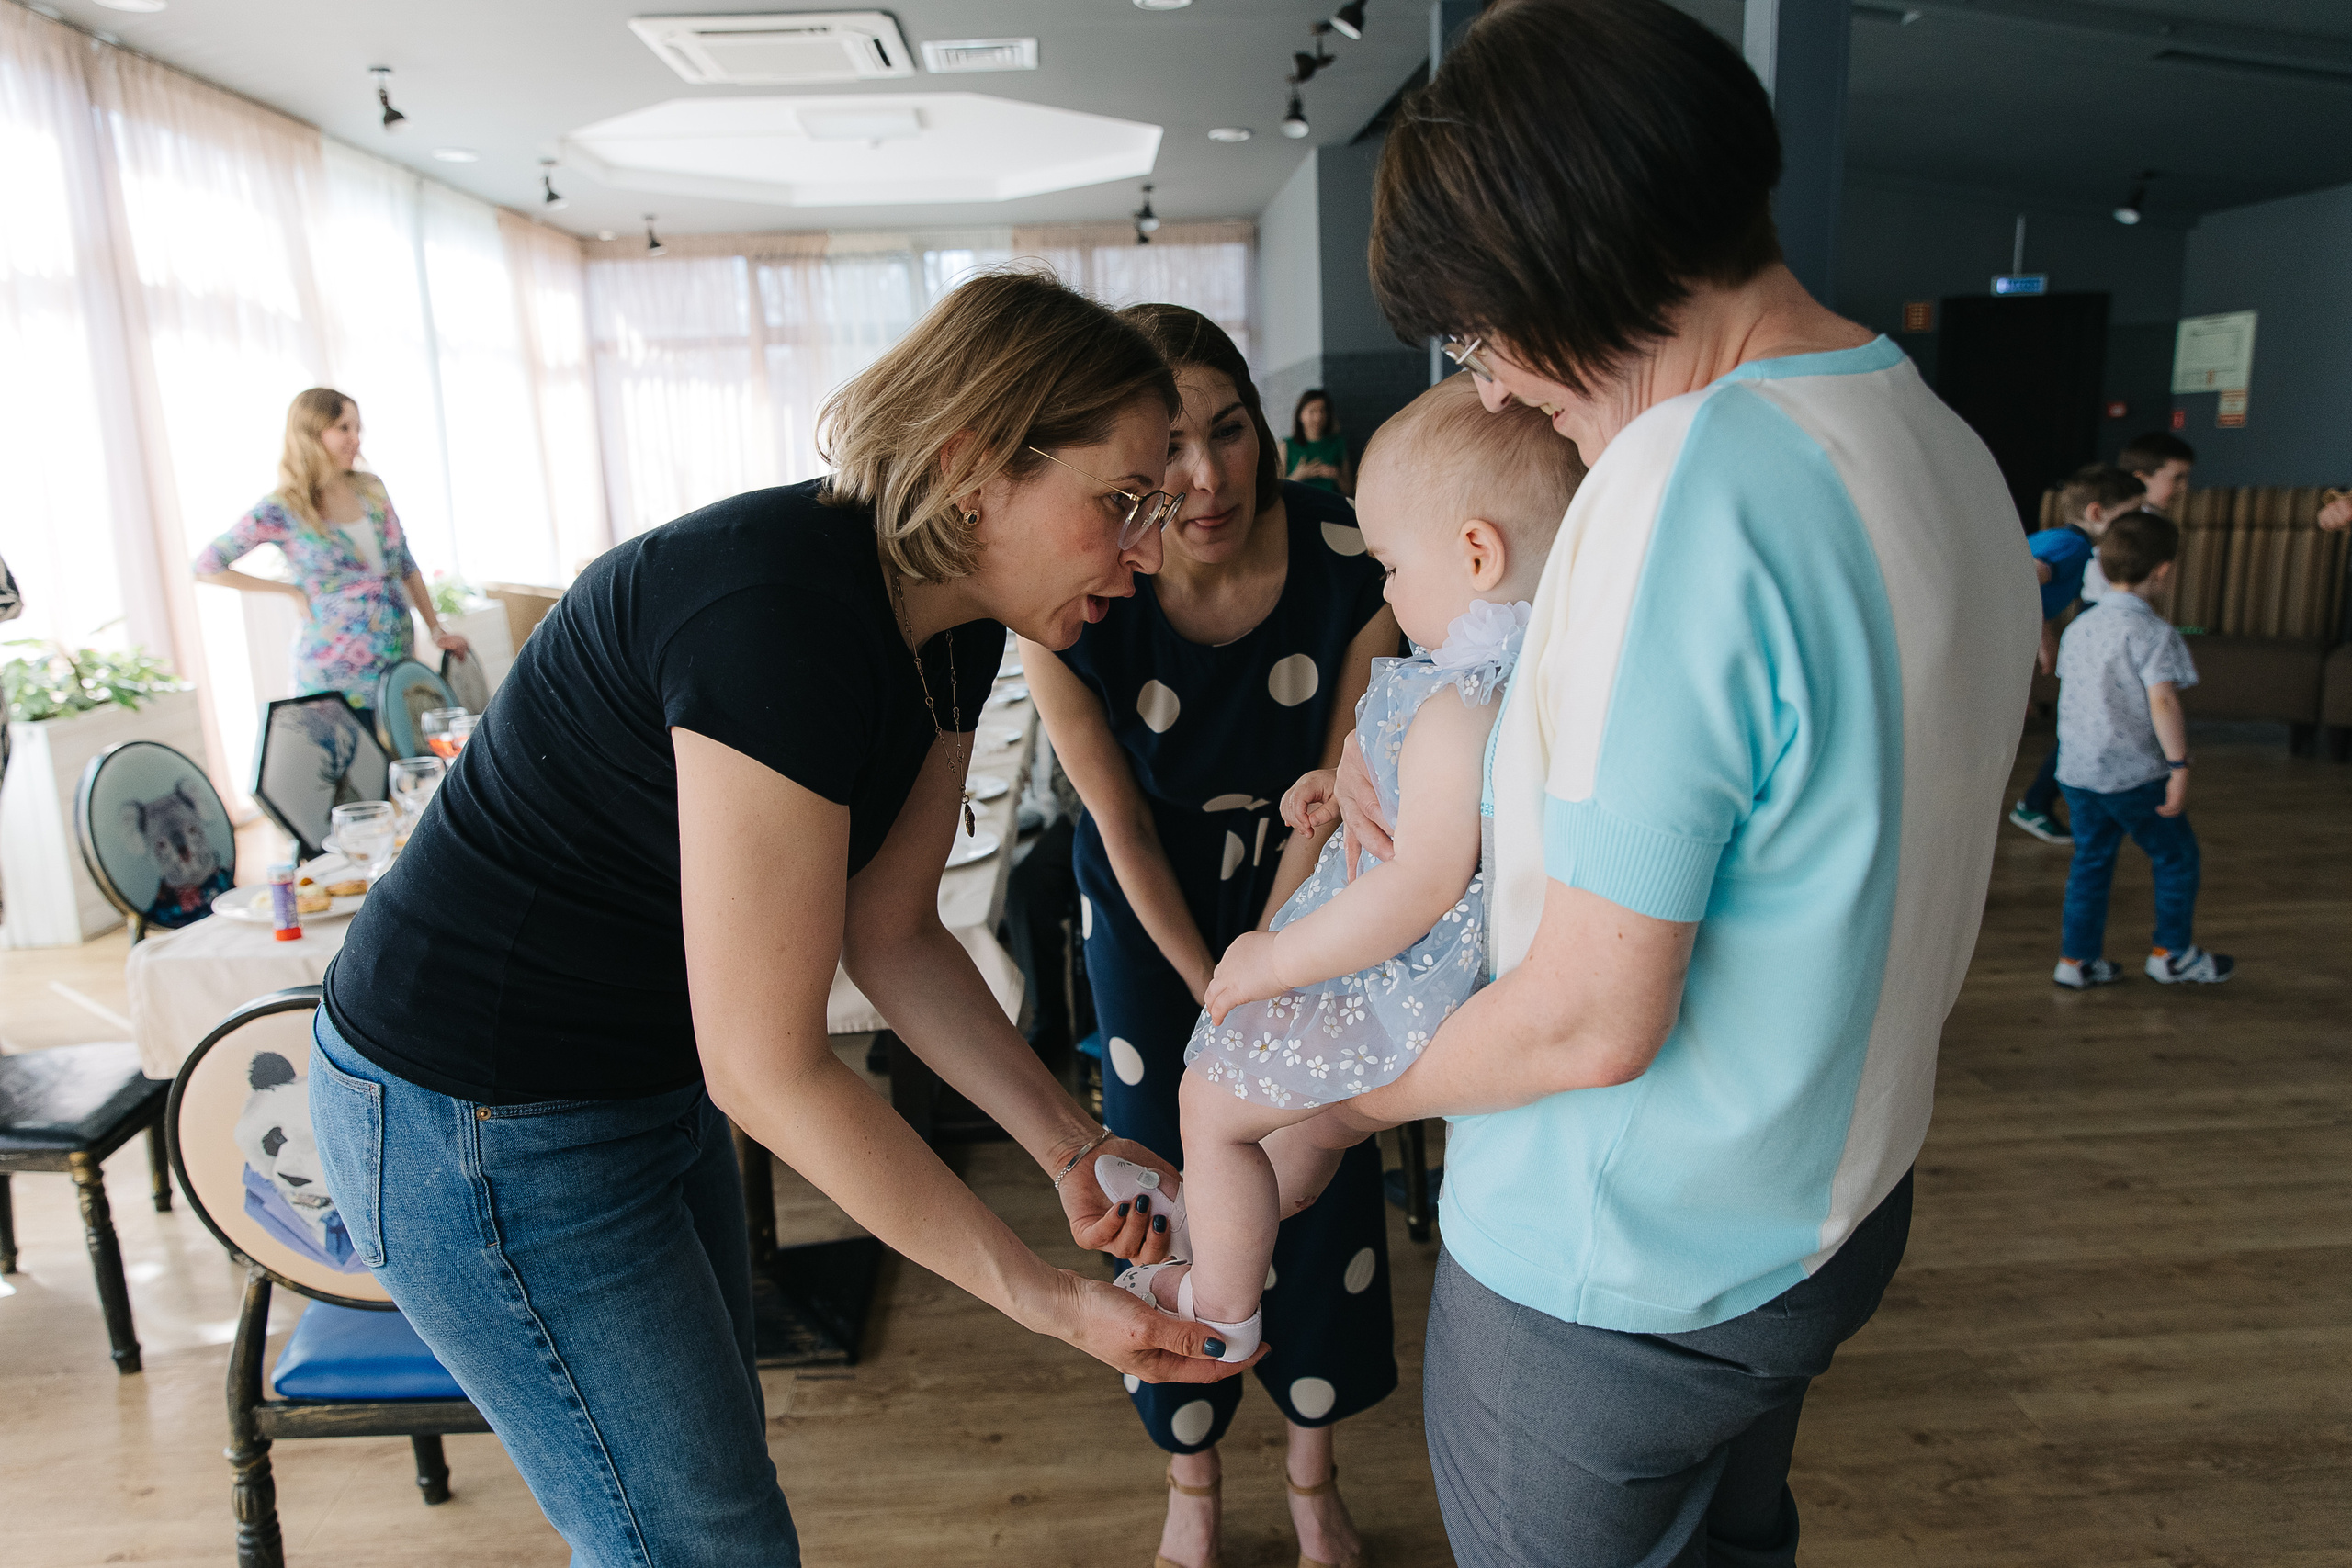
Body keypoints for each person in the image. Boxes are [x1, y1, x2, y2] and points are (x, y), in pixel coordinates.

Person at [306, 272, 1248, 1567]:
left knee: (696, 1505)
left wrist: (1073, 1146)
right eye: (1121, 502)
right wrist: (1042, 1297)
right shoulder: (772, 613)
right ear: (976, 467)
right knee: (693, 1536)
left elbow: (894, 930)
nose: (1149, 546)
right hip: (474, 1115)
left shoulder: (955, 619)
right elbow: (766, 1061)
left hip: (630, 1082)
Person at [1318, 2, 2038, 1562]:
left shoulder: (1685, 483)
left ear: (1556, 259)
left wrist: (1330, 1098)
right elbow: (1827, 827)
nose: (1495, 389)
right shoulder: (1942, 449)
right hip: (1821, 1213)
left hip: (1617, 1262)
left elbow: (1590, 1012)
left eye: (1481, 333)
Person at [1023, 304, 1401, 1568]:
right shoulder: (1081, 599)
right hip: (1151, 906)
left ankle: (1311, 1475)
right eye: (1168, 449)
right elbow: (1121, 823)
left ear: (1264, 421)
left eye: (1230, 431)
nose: (1204, 478)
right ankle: (1191, 1476)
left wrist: (1276, 963)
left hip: (1318, 877)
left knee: (1318, 1162)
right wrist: (1209, 987)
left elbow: (1347, 786)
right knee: (1170, 1188)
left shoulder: (1354, 552)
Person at [1109, 374, 1576, 1371]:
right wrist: (1337, 781)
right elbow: (1441, 809)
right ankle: (1230, 1219)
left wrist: (1271, 962)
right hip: (1402, 966)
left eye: (1394, 565)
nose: (1388, 589)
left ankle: (1219, 1305)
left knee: (1209, 1101)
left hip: (1391, 966)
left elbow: (1418, 885)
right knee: (1300, 1139)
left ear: (1475, 554)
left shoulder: (1462, 705)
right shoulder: (1505, 681)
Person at [194, 388, 466, 729]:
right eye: (344, 428)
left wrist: (436, 628)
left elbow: (405, 564)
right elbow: (207, 566)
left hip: (395, 658)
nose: (355, 439)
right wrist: (291, 591)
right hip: (333, 668)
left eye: (358, 429)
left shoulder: (371, 488)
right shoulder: (284, 506)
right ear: (310, 434)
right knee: (357, 775)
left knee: (408, 765)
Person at [2052, 512, 2234, 989]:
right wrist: (2178, 765)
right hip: (2134, 775)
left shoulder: (2080, 629)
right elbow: (2162, 700)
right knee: (2175, 857)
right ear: (2163, 570)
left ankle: (2076, 961)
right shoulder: (2153, 633)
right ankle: (2171, 954)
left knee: (2090, 861)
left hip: (2078, 772)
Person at [2009, 466, 2148, 845]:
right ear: (2097, 513)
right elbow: (2017, 574)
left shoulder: (2066, 541)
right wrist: (2042, 633)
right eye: (2131, 513)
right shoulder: (2072, 546)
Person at [1282, 389, 1354, 498]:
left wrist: (1336, 475)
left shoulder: (1337, 443)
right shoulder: (1286, 445)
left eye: (1322, 411)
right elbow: (1275, 490)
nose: (1318, 417)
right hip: (1298, 508)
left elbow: (1349, 490)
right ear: (1300, 415)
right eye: (1312, 411)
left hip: (1330, 506)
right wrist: (1298, 476)